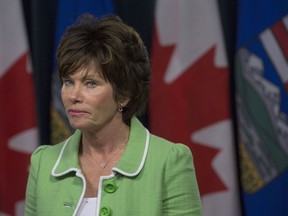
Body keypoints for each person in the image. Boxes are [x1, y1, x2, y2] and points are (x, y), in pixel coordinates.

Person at [25, 14, 202, 216]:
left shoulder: (169, 161)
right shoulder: (43, 162)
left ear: (124, 95)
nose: (73, 95)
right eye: (68, 82)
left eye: (90, 83)